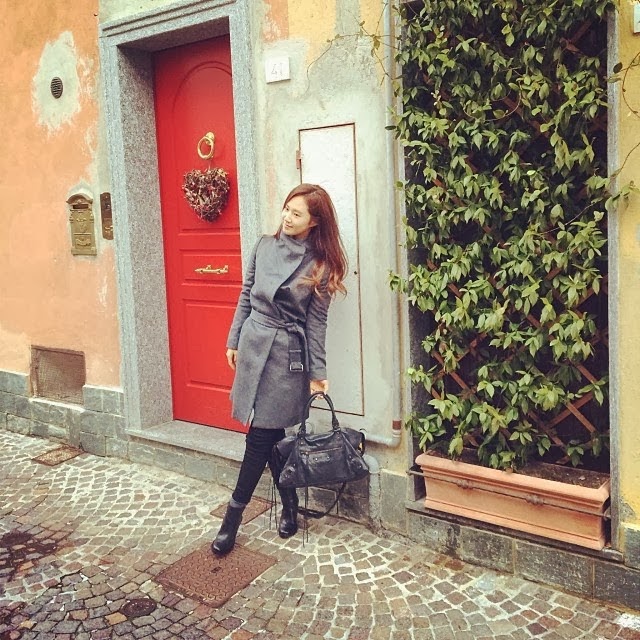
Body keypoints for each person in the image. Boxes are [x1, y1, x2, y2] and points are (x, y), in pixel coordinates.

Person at [212, 183, 348, 556]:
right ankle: (289, 504)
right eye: (286, 208)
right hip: (253, 344)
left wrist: (317, 373)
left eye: (296, 213)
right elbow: (246, 293)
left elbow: (316, 324)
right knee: (271, 436)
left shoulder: (320, 265)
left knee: (260, 437)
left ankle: (232, 518)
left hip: (288, 357)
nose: (287, 217)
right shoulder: (263, 246)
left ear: (314, 221)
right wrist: (233, 339)